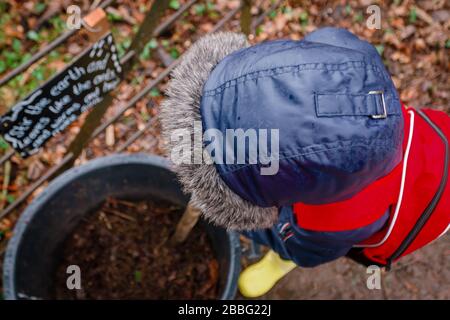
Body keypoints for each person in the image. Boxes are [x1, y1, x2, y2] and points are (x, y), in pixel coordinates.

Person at [160, 27, 449, 298]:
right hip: (431, 140)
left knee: (295, 239)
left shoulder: (334, 222)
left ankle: (280, 261)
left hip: (427, 205)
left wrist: (261, 231)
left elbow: (310, 251)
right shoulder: (338, 55)